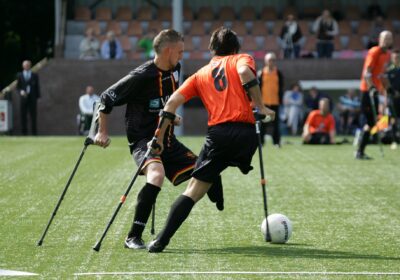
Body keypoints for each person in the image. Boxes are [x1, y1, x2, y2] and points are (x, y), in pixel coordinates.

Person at [146, 27, 275, 253]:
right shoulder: (242, 59)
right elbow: (245, 73)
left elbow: (170, 105)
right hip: (245, 136)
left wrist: (158, 138)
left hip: (219, 137)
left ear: (212, 50)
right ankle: (221, 174)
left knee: (193, 190)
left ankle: (161, 241)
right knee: (232, 161)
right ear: (235, 48)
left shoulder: (200, 74)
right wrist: (262, 107)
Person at [94, 29, 223, 250]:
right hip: (144, 141)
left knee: (208, 168)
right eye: (180, 51)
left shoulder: (175, 69)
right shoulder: (141, 76)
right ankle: (133, 236)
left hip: (168, 139)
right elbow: (105, 99)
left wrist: (171, 117)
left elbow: (165, 102)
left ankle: (216, 194)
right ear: (168, 50)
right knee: (156, 174)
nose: (183, 56)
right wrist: (101, 132)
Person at [356, 30, 392, 159]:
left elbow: (382, 74)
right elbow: (367, 72)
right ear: (379, 39)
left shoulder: (387, 55)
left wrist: (387, 88)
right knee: (370, 121)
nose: (387, 41)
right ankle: (359, 150)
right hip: (367, 91)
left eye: (389, 38)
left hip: (375, 91)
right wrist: (371, 87)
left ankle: (360, 151)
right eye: (385, 38)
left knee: (372, 122)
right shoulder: (374, 51)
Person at [258, 52, 283, 146]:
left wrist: (281, 99)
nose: (271, 62)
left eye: (273, 60)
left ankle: (276, 142)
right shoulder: (261, 73)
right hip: (264, 103)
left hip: (275, 102)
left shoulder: (278, 73)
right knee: (263, 124)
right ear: (265, 61)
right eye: (269, 60)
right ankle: (261, 142)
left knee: (275, 124)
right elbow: (258, 88)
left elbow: (281, 87)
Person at [16, 60, 40, 135]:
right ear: (23, 66)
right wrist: (21, 92)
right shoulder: (19, 75)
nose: (27, 66)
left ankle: (34, 133)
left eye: (28, 65)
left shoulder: (34, 75)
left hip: (32, 99)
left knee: (33, 116)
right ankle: (24, 133)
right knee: (23, 116)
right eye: (25, 65)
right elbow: (18, 87)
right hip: (23, 99)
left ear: (30, 66)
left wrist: (38, 97)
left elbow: (37, 87)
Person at [386, 49, 400, 147]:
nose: (396, 59)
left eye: (398, 57)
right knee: (393, 120)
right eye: (394, 57)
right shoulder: (389, 71)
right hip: (393, 100)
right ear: (391, 58)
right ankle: (394, 140)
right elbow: (386, 86)